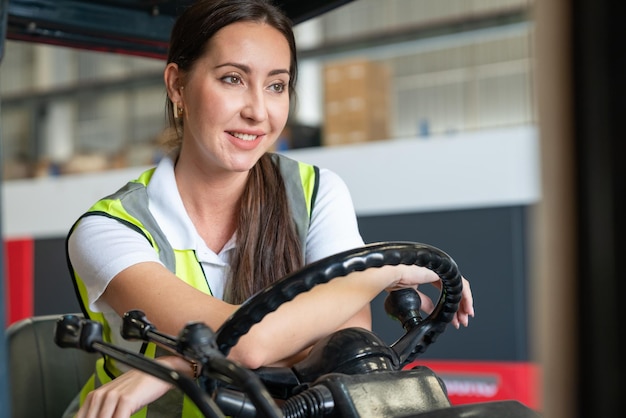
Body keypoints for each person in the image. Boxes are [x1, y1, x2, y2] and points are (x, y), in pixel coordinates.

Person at [64, 0, 475, 417]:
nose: (257, 111)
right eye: (232, 79)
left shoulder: (317, 192)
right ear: (177, 86)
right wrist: (384, 268)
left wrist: (174, 364)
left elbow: (341, 342)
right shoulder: (110, 230)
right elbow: (247, 343)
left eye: (276, 86)